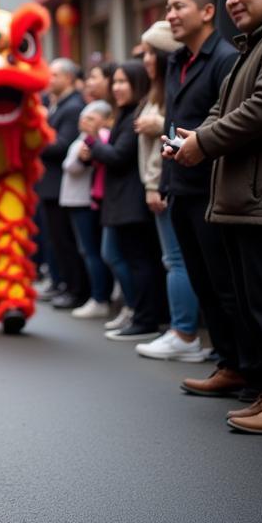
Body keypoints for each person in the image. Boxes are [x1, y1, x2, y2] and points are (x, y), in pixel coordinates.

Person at [171, 0, 262, 432]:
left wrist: (203, 143)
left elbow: (261, 108)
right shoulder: (249, 47)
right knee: (247, 302)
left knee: (260, 302)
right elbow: (219, 110)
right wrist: (195, 139)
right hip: (237, 199)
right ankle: (255, 385)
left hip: (257, 199)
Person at [160, 0, 244, 398]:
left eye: (179, 7)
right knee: (203, 283)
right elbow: (168, 121)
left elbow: (228, 126)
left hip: (213, 191)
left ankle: (244, 368)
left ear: (207, 11)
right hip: (180, 188)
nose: (171, 15)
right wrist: (162, 181)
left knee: (226, 286)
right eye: (168, 8)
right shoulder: (176, 61)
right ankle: (227, 362)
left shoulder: (226, 59)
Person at [133, 21, 205, 364]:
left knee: (176, 260)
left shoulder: (174, 87)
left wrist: (154, 185)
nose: (145, 59)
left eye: (150, 52)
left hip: (171, 183)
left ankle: (184, 332)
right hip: (163, 183)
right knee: (174, 259)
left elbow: (179, 133)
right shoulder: (158, 90)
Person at [81, 61, 165, 341]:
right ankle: (136, 311)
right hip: (120, 201)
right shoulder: (126, 113)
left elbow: (118, 157)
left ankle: (144, 317)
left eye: (123, 82)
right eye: (114, 82)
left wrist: (93, 142)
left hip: (131, 202)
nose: (116, 87)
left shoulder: (134, 117)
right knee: (120, 256)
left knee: (137, 260)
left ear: (138, 83)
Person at [38, 59, 87, 309]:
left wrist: (36, 138)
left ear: (68, 78)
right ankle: (63, 284)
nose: (49, 79)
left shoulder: (73, 106)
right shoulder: (57, 105)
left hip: (61, 185)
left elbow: (62, 145)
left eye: (55, 74)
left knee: (66, 241)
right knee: (55, 240)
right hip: (50, 185)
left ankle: (75, 289)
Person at [61, 101, 114, 319]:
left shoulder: (97, 139)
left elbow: (73, 166)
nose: (84, 121)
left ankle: (100, 297)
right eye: (84, 117)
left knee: (92, 251)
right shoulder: (85, 138)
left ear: (105, 120)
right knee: (88, 250)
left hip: (85, 201)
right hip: (77, 200)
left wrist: (85, 156)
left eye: (91, 118)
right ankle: (97, 296)